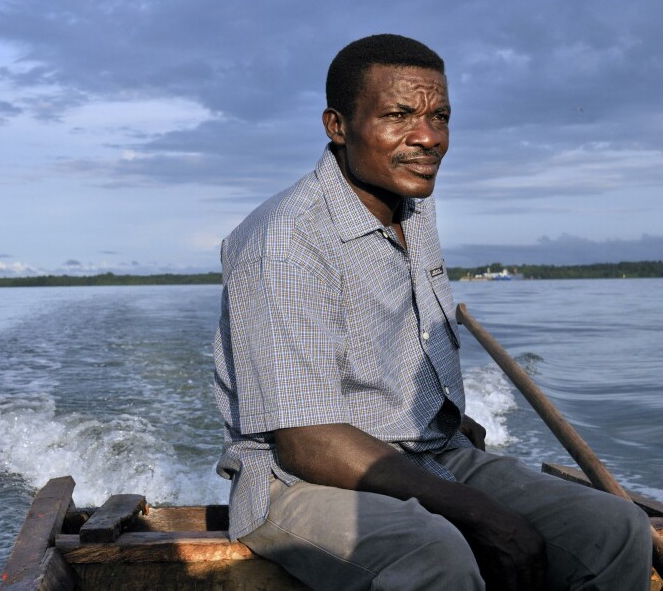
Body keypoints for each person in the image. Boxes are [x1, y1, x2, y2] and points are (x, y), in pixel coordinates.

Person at [212, 34, 652, 590]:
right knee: (435, 554)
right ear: (337, 126)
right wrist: (479, 511)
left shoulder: (412, 205)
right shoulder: (285, 240)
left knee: (615, 528)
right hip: (296, 482)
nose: (428, 138)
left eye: (439, 117)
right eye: (399, 116)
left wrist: (439, 415)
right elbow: (306, 443)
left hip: (429, 453)